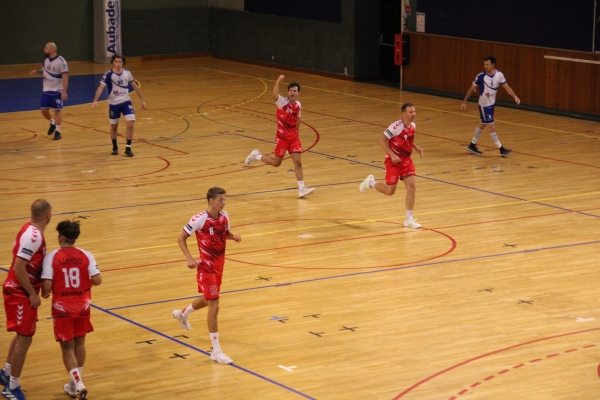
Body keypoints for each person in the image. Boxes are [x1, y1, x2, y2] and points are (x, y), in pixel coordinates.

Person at [172, 187, 241, 365]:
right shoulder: (199, 219)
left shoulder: (224, 216)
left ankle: (182, 314)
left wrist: (233, 237)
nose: (224, 202)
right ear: (211, 201)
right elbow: (181, 238)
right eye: (221, 200)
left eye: (224, 199)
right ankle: (216, 352)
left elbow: (225, 233)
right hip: (206, 267)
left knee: (207, 299)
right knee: (215, 305)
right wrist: (188, 257)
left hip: (219, 266)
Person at [41, 220, 101, 400]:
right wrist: (83, 285)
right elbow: (97, 280)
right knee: (80, 344)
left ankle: (79, 384)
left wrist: (45, 291)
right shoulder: (86, 255)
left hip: (62, 309)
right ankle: (73, 385)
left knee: (67, 349)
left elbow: (47, 286)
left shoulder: (51, 256)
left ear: (60, 236)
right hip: (83, 305)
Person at [1, 200, 52, 400]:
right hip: (19, 292)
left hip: (20, 290)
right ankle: (12, 387)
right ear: (48, 215)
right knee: (25, 338)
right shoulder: (34, 237)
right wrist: (32, 293)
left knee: (22, 336)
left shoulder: (28, 229)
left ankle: (6, 374)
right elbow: (18, 268)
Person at [244, 75, 315, 198]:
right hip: (282, 138)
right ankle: (256, 156)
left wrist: (296, 132)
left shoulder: (298, 105)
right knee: (276, 163)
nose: (293, 92)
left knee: (298, 162)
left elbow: (298, 118)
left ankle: (302, 188)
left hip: (293, 138)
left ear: (298, 93)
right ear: (288, 92)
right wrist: (277, 81)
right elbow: (274, 95)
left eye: (295, 91)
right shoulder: (282, 102)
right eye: (291, 90)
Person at [359, 103, 424, 229]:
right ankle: (371, 183)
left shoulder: (413, 126)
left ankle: (409, 219)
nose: (414, 114)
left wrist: (416, 148)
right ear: (404, 113)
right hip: (393, 162)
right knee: (390, 191)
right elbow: (381, 140)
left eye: (415, 111)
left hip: (406, 161)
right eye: (411, 112)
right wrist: (392, 154)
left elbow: (409, 140)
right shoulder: (395, 127)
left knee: (412, 186)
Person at [460, 55, 520, 157]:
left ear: (493, 65)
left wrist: (515, 96)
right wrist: (464, 101)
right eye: (484, 64)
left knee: (482, 124)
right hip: (484, 105)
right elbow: (471, 89)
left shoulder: (499, 75)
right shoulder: (481, 76)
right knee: (492, 126)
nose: (485, 66)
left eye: (487, 64)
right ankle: (501, 149)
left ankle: (472, 145)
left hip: (491, 104)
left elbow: (507, 87)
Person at [92, 53, 146, 157]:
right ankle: (115, 146)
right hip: (114, 103)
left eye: (120, 62)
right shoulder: (108, 74)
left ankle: (128, 148)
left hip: (126, 102)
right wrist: (95, 100)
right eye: (116, 62)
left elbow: (135, 86)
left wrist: (142, 100)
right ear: (113, 62)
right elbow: (100, 88)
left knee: (130, 123)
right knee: (114, 126)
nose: (118, 64)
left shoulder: (127, 73)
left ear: (123, 63)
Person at [29, 42, 68, 141]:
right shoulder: (45, 60)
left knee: (57, 110)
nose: (44, 50)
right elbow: (45, 70)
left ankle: (58, 132)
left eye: (46, 48)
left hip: (57, 90)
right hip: (46, 89)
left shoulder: (61, 61)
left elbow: (65, 77)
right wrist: (37, 71)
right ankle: (52, 123)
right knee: (43, 109)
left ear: (52, 49)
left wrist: (64, 91)